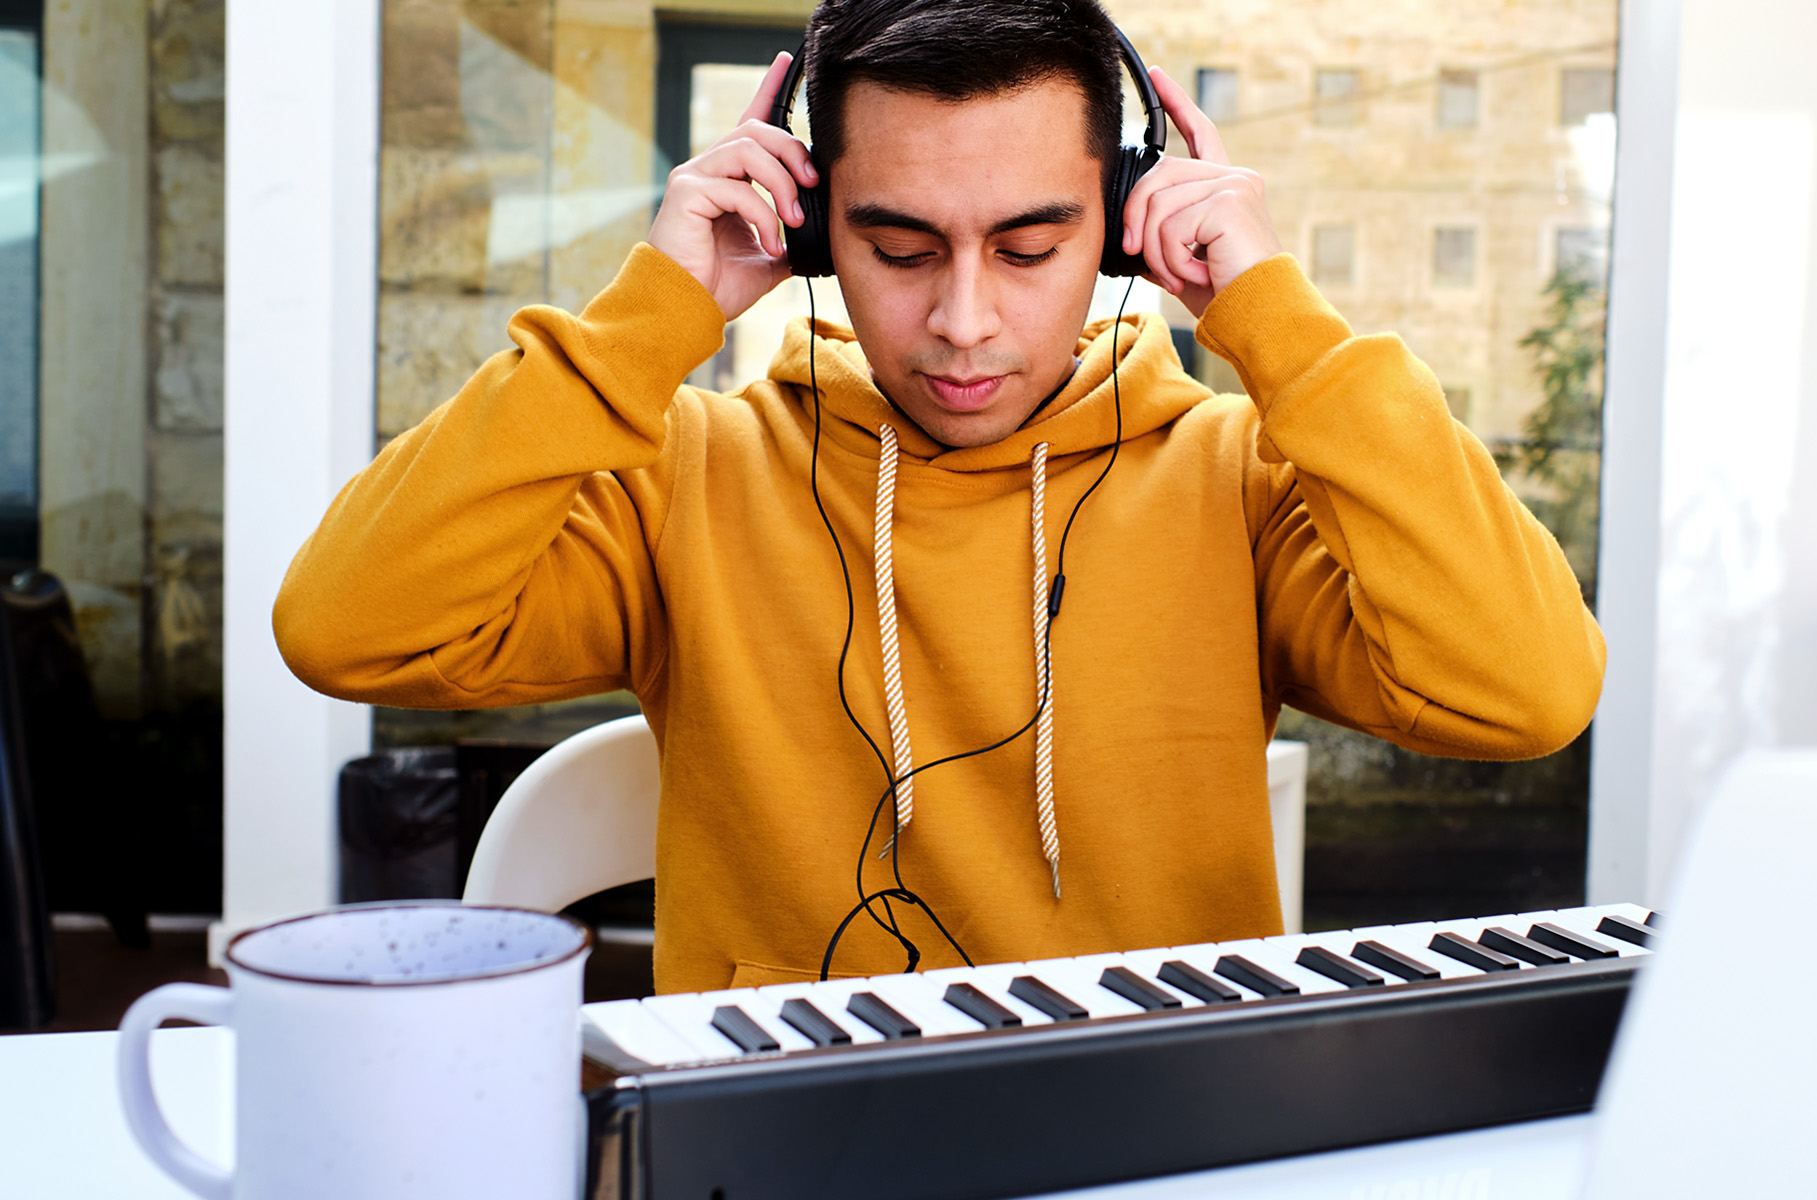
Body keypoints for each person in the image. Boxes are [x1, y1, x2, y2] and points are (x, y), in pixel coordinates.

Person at [275, 0, 1605, 996]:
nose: (963, 322)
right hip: (778, 1143)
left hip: (1151, 1144)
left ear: (1128, 219)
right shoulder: (683, 477)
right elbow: (348, 630)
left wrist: (1276, 321)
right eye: (899, 248)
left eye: (1030, 247)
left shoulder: (1238, 481)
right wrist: (648, 319)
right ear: (806, 224)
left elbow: (1527, 692)